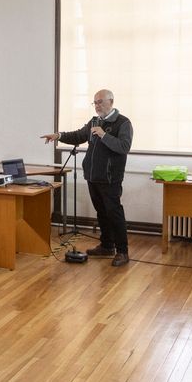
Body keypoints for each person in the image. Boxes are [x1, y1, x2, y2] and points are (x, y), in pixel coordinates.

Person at [42, 88, 133, 266]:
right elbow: (79, 135)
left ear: (111, 102)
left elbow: (124, 147)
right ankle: (107, 246)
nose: (97, 106)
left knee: (114, 213)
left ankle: (122, 251)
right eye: (95, 102)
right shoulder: (94, 121)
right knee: (101, 213)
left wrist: (104, 135)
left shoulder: (123, 123)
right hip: (93, 175)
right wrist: (58, 136)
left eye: (100, 102)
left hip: (110, 178)